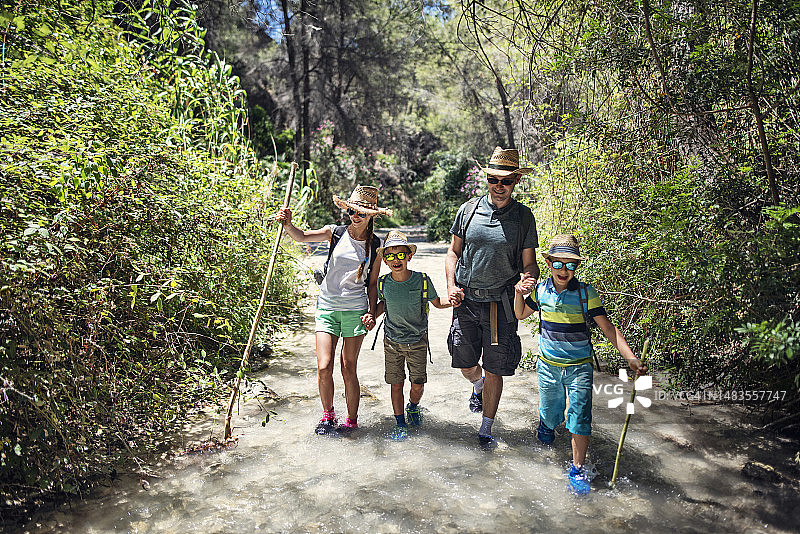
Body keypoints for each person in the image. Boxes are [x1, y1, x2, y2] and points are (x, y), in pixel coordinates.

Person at [514, 234, 647, 495]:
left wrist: (630, 358)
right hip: (548, 366)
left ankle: (576, 468)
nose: (564, 270)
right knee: (551, 412)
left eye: (571, 265)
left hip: (580, 369)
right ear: (549, 263)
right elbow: (520, 314)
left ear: (577, 267)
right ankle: (546, 424)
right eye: (559, 264)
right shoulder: (540, 291)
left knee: (579, 418)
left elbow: (609, 329)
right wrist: (519, 293)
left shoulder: (586, 294)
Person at [445, 146, 540, 448]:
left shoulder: (523, 217)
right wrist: (450, 285)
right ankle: (477, 386)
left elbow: (529, 262)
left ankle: (486, 428)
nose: (499, 186)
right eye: (493, 179)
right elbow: (453, 252)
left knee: (495, 367)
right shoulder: (468, 210)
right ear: (486, 178)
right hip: (467, 301)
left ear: (515, 182)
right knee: (464, 362)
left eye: (506, 181)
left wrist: (528, 281)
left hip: (501, 304)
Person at [276, 185, 390, 435]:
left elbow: (372, 284)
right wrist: (287, 225)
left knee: (348, 367)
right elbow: (303, 236)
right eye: (352, 211)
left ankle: (351, 420)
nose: (355, 216)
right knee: (324, 366)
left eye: (361, 212)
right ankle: (328, 416)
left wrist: (372, 312)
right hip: (327, 307)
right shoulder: (335, 232)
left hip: (355, 311)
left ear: (371, 215)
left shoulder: (376, 246)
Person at [366, 230, 450, 441]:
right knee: (396, 384)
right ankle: (400, 422)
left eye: (401, 255)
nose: (396, 260)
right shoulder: (383, 283)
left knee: (417, 384)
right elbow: (382, 305)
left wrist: (455, 300)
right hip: (392, 342)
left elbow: (438, 303)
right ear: (384, 260)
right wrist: (370, 316)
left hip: (417, 342)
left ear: (409, 257)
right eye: (391, 256)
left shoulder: (422, 280)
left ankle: (413, 406)